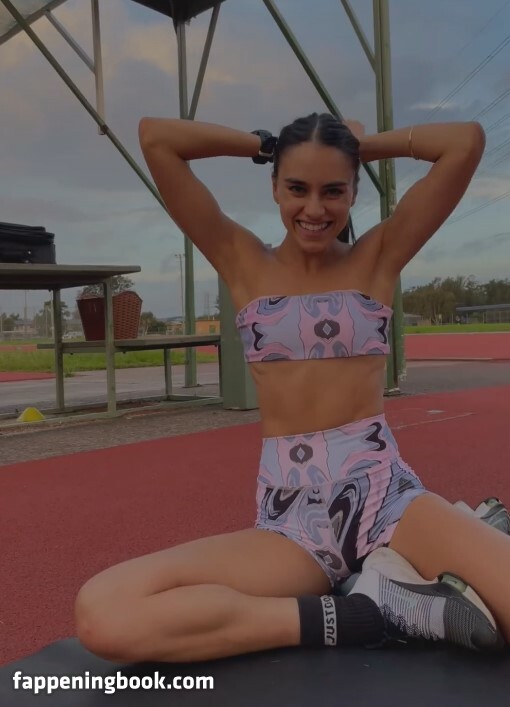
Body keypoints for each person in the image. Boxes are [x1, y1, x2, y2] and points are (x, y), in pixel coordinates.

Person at [74, 112, 510, 664]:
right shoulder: (242, 260)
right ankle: (367, 612)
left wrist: (357, 147)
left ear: (354, 192)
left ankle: (443, 542)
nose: (315, 209)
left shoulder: (378, 256)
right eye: (297, 188)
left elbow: (464, 142)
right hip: (293, 520)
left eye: (334, 191)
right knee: (105, 613)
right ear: (275, 186)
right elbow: (157, 138)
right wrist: (265, 144)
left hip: (387, 501)